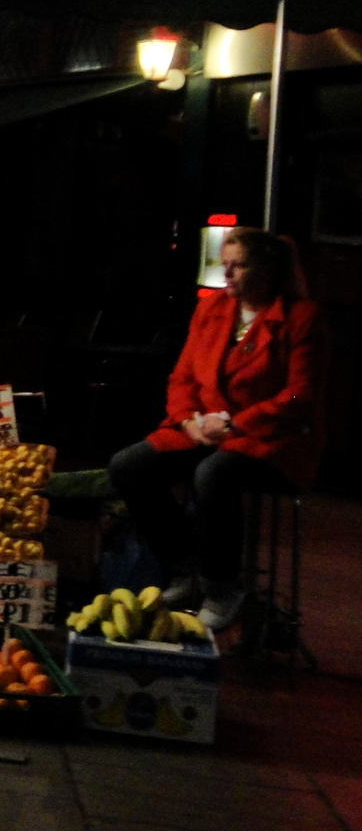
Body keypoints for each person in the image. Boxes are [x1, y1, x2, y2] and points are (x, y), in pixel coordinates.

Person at [107, 227, 329, 630]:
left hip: (271, 437)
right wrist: (189, 420)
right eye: (224, 265)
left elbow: (301, 394)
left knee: (213, 473)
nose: (227, 274)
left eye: (238, 265)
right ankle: (184, 568)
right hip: (205, 428)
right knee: (128, 465)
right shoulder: (211, 309)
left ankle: (222, 586)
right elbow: (182, 378)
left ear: (268, 269)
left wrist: (234, 424)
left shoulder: (301, 317)